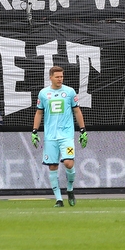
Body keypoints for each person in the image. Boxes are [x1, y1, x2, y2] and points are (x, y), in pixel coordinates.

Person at [32, 65, 87, 207]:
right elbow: (39, 113)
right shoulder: (44, 93)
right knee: (53, 166)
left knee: (68, 162)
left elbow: (77, 111)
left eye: (61, 76)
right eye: (57, 77)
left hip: (66, 135)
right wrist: (34, 131)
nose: (60, 79)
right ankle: (58, 199)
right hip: (50, 136)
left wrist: (83, 130)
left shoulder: (69, 92)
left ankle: (69, 188)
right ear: (50, 77)